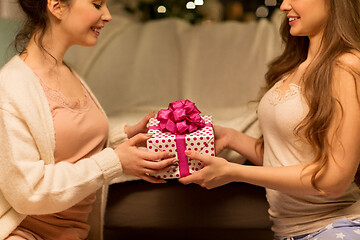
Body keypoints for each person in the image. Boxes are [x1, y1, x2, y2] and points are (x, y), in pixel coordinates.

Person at [179, 0, 360, 239]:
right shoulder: (295, 67)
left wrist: (235, 173)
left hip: (338, 227)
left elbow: (334, 179)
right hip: (288, 232)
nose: (284, 5)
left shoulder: (347, 64)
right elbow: (286, 158)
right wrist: (231, 137)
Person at [0, 0, 178, 239]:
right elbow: (29, 192)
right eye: (97, 4)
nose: (107, 16)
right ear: (57, 6)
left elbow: (66, 149)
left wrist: (126, 137)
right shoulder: (10, 88)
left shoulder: (68, 72)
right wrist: (115, 161)